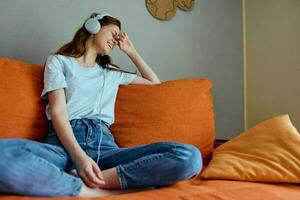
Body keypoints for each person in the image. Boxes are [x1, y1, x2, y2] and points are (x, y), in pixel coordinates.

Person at [0, 12, 202, 197]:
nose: (116, 40)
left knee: (189, 157)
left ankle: (99, 182)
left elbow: (155, 84)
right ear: (93, 26)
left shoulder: (112, 73)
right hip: (62, 146)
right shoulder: (59, 62)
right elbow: (59, 111)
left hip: (106, 151)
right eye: (113, 32)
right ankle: (92, 191)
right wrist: (80, 159)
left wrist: (131, 52)